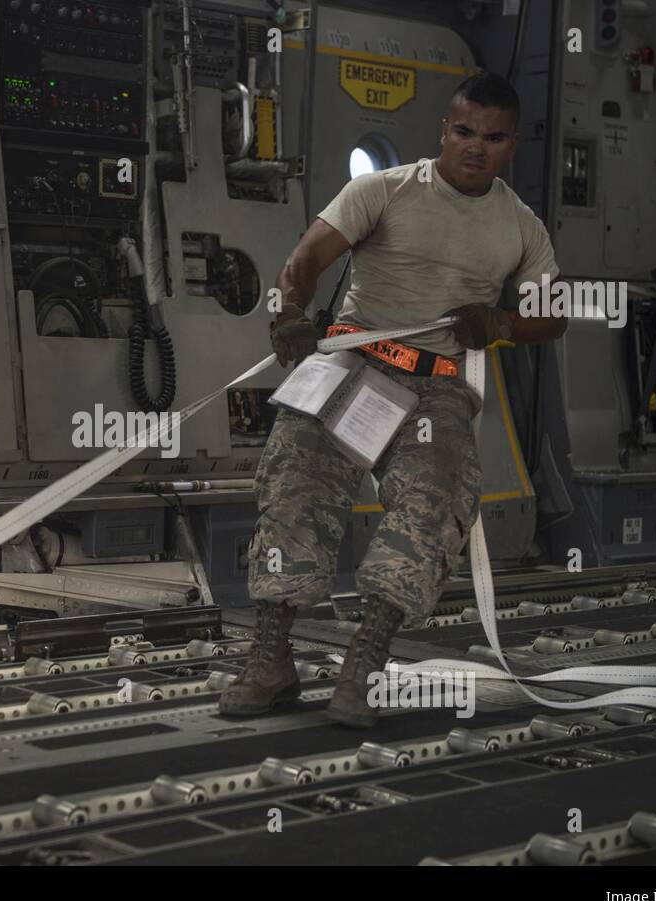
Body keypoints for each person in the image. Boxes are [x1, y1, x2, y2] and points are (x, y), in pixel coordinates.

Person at [219, 71, 566, 726]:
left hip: (438, 383)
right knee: (296, 476)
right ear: (444, 130)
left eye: (492, 138)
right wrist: (291, 313)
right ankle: (270, 658)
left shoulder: (520, 227)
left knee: (436, 502)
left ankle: (365, 661)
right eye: (463, 131)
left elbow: (553, 318)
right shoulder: (383, 190)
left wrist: (501, 325)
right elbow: (306, 259)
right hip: (356, 363)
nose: (474, 147)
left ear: (511, 144)